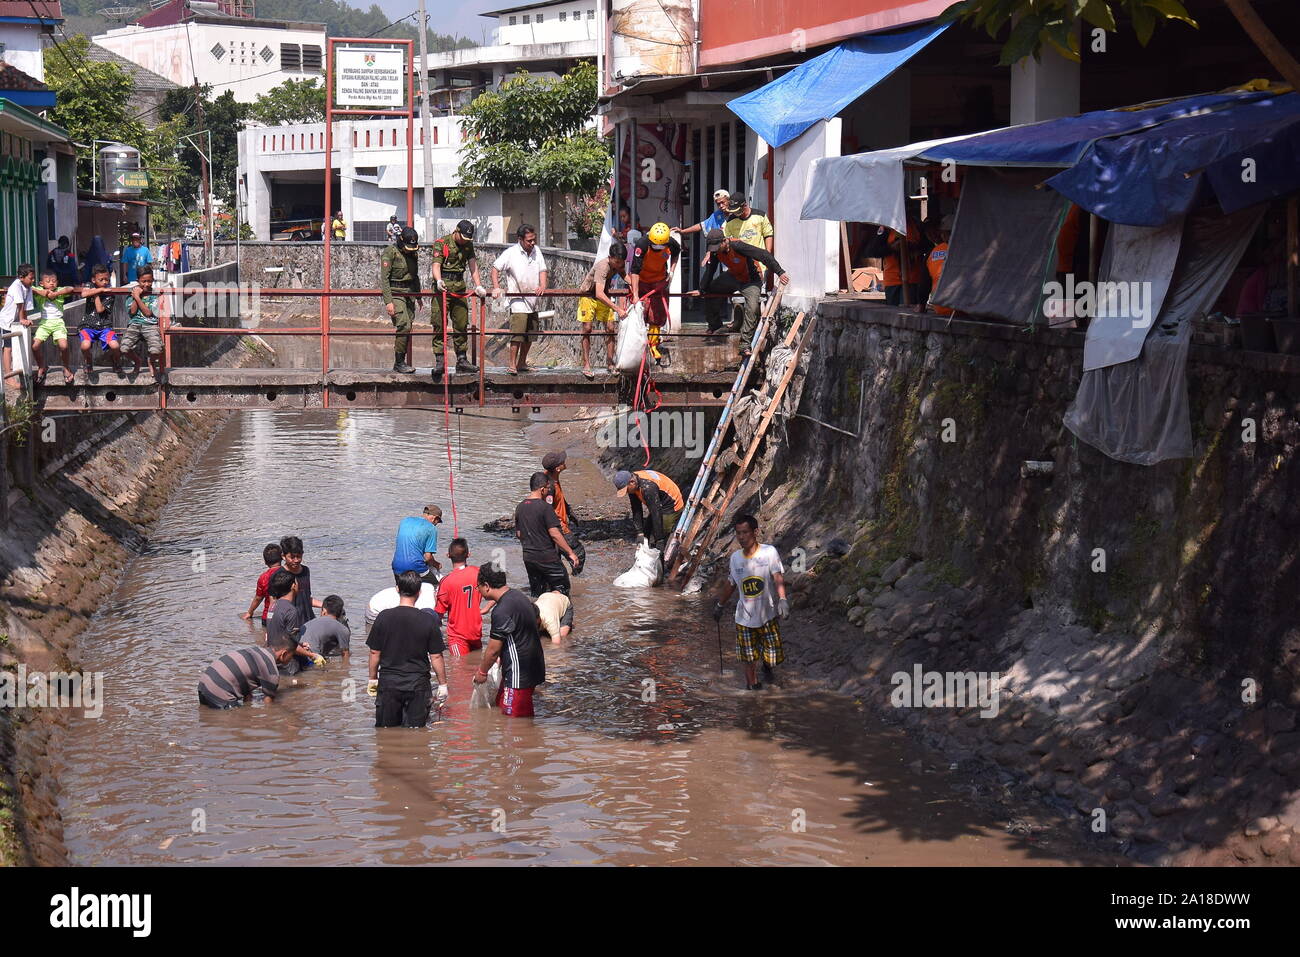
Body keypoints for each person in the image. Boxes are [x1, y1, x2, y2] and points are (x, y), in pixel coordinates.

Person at [712, 513, 789, 691]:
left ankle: (767, 665)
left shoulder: (769, 552)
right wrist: (719, 605)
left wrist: (783, 599)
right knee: (747, 658)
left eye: (745, 532)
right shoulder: (735, 558)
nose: (741, 537)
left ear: (755, 532)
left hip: (768, 615)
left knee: (773, 658)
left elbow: (777, 576)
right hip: (744, 618)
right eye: (738, 533)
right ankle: (753, 686)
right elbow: (731, 584)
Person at [367, 569, 448, 728]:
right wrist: (443, 684)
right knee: (416, 732)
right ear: (419, 592)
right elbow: (436, 656)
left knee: (386, 732)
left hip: (389, 684)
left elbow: (374, 652)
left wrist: (372, 679)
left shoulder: (383, 617)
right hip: (417, 685)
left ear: (397, 589)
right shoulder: (428, 620)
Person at [690, 229, 790, 355]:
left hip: (751, 280)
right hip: (733, 276)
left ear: (725, 241)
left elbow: (763, 254)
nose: (716, 250)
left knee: (753, 307)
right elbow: (710, 271)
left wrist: (779, 272)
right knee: (711, 290)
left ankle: (745, 344)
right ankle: (714, 324)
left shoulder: (738, 246)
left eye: (717, 246)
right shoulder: (715, 252)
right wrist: (702, 289)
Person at [473, 563, 544, 717]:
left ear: (486, 586)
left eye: (477, 586)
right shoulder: (519, 597)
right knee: (503, 708)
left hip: (518, 675)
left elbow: (493, 650)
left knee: (514, 725)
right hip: (533, 667)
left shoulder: (501, 611)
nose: (477, 590)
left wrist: (482, 671)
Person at [430, 219, 486, 378]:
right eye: (463, 237)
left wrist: (478, 285)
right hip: (443, 287)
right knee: (439, 322)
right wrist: (438, 280)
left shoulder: (468, 244)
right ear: (456, 231)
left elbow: (473, 265)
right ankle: (439, 360)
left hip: (459, 286)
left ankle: (462, 359)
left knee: (461, 323)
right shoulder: (442, 243)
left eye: (468, 238)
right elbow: (436, 265)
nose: (465, 241)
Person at [491, 224, 548, 375]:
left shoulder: (537, 251)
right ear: (520, 240)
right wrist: (496, 287)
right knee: (517, 334)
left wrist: (542, 285)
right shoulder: (511, 253)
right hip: (517, 300)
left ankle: (522, 363)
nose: (532, 243)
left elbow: (543, 270)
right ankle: (512, 364)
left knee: (530, 334)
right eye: (529, 240)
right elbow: (495, 269)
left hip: (533, 300)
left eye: (534, 240)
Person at [516, 471, 581, 596]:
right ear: (542, 489)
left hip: (529, 558)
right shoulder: (545, 508)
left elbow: (519, 534)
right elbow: (555, 534)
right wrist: (571, 553)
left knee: (537, 594)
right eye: (547, 488)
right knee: (562, 591)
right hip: (547, 557)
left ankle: (537, 614)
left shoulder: (520, 507)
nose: (548, 491)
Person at [198, 632, 297, 709]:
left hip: (203, 685)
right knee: (237, 720)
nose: (291, 659)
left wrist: (248, 704)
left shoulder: (256, 651)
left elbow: (246, 682)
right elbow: (268, 706)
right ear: (284, 654)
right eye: (291, 656)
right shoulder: (271, 671)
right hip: (219, 692)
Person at [628, 223, 680, 364]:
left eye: (661, 246)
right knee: (640, 313)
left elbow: (676, 254)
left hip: (659, 282)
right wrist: (636, 295)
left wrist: (672, 271)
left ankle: (653, 344)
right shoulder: (642, 245)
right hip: (642, 281)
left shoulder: (671, 243)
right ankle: (639, 344)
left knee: (656, 315)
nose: (658, 248)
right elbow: (635, 271)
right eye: (655, 246)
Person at [575, 241, 626, 378]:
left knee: (610, 328)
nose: (619, 266)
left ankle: (610, 362)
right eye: (617, 262)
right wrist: (617, 309)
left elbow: (625, 276)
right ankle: (586, 363)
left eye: (621, 263)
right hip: (589, 296)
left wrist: (635, 287)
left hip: (603, 295)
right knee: (587, 328)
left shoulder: (619, 264)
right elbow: (598, 293)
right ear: (610, 258)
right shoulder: (603, 266)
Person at [434, 537, 490, 656]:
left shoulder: (446, 582)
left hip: (457, 636)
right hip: (476, 632)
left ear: (448, 555)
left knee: (459, 669)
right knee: (476, 666)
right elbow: (500, 589)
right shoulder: (479, 572)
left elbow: (438, 614)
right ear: (468, 554)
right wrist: (487, 608)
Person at [380, 226, 421, 373]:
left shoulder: (413, 253)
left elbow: (415, 276)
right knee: (403, 324)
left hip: (409, 293)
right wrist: (388, 302)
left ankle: (401, 361)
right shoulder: (390, 252)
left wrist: (419, 296)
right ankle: (399, 363)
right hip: (395, 293)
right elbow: (384, 279)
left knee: (408, 326)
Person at [613, 468, 683, 549]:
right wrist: (640, 532)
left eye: (627, 490)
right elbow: (636, 509)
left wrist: (659, 539)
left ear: (632, 482)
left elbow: (656, 513)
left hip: (671, 505)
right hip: (658, 502)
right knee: (646, 533)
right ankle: (648, 550)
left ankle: (663, 555)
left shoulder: (648, 488)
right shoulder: (633, 483)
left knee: (662, 533)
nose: (627, 493)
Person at [31, 271, 76, 385]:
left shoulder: (59, 290)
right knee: (35, 346)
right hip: (44, 323)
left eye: (54, 281)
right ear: (41, 283)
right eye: (48, 281)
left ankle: (66, 367)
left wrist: (55, 294)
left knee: (64, 346)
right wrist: (44, 293)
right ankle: (41, 366)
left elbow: (70, 288)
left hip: (58, 323)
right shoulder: (39, 290)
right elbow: (30, 288)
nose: (51, 283)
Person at [121, 267, 166, 381]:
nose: (146, 284)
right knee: (124, 348)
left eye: (149, 281)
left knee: (156, 349)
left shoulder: (154, 295)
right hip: (135, 324)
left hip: (150, 325)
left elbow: (148, 313)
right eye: (143, 281)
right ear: (138, 281)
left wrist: (137, 297)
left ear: (153, 280)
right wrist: (136, 296)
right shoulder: (132, 293)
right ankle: (137, 361)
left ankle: (151, 362)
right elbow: (132, 312)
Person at [78, 263, 123, 376]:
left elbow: (99, 309)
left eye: (106, 280)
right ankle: (88, 360)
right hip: (88, 325)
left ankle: (116, 361)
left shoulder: (110, 294)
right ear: (93, 280)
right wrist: (98, 291)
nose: (104, 282)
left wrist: (95, 293)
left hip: (105, 326)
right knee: (85, 345)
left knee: (115, 346)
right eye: (101, 280)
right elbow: (84, 293)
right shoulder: (89, 285)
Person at [1, 264, 36, 394]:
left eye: (33, 278)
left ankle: (18, 372)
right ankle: (9, 377)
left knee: (19, 346)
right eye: (31, 278)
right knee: (8, 348)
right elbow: (20, 305)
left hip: (15, 322)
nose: (33, 281)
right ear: (21, 277)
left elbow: (25, 307)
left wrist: (24, 320)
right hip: (6, 321)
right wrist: (22, 320)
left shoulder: (28, 287)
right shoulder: (16, 286)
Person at [264, 568, 304, 674]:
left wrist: (301, 644)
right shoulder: (291, 611)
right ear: (293, 586)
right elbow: (291, 645)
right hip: (287, 663)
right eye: (296, 582)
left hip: (272, 660)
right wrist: (312, 655)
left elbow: (278, 634)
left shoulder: (272, 606)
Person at [391, 505, 443, 585]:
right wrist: (437, 564)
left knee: (403, 592)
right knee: (436, 587)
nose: (436, 524)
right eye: (438, 522)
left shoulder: (405, 521)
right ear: (435, 518)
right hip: (415, 567)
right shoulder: (431, 528)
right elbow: (428, 557)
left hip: (396, 566)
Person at [240, 542, 284, 627]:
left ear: (265, 562)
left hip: (268, 617)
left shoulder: (263, 578)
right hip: (287, 615)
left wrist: (250, 612)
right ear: (282, 557)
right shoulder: (288, 573)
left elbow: (258, 598)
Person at [279, 535, 321, 623]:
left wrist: (325, 605)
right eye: (292, 557)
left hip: (309, 620)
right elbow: (275, 603)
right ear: (283, 556)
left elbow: (306, 598)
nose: (296, 560)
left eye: (299, 556)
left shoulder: (305, 571)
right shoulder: (279, 575)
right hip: (291, 622)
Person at [921, 214, 954, 317]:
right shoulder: (967, 251)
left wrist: (921, 305)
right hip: (963, 308)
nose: (932, 235)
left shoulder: (932, 253)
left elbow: (924, 284)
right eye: (928, 232)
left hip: (940, 308)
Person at [302, 594, 351, 662]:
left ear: (324, 611)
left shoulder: (309, 623)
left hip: (298, 652)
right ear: (340, 613)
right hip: (311, 658)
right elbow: (345, 656)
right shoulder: (342, 629)